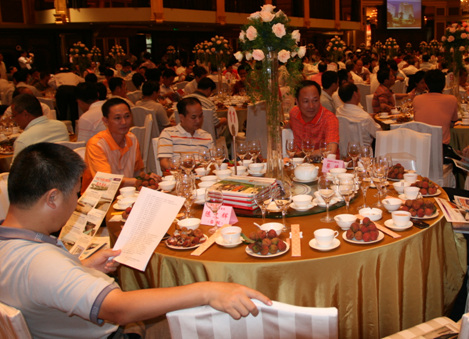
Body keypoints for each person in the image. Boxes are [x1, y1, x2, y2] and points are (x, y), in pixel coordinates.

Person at [0, 145, 272, 338]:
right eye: (75, 194)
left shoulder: (14, 244)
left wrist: (82, 267)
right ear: (52, 198)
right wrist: (207, 290)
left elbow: (39, 284)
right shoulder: (42, 264)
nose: (77, 202)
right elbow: (119, 309)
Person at [83, 98, 155, 191]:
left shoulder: (132, 139)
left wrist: (147, 177)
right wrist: (136, 181)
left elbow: (137, 172)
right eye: (117, 118)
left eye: (127, 116)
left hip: (126, 193)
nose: (124, 122)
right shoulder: (97, 145)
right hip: (98, 196)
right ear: (105, 121)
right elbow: (106, 180)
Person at [158, 97, 214, 172]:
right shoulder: (168, 134)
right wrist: (184, 169)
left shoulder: (206, 136)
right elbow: (164, 163)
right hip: (179, 175)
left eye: (200, 116)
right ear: (181, 117)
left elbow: (212, 161)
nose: (198, 120)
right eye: (193, 117)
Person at [10, 94, 69, 162]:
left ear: (25, 114)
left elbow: (16, 168)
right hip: (63, 167)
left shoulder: (23, 140)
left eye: (14, 115)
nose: (14, 120)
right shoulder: (60, 126)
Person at [288, 80, 339, 157]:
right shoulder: (294, 114)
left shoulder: (329, 119)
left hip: (323, 162)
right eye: (306, 101)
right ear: (297, 102)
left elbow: (331, 150)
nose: (311, 106)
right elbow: (289, 124)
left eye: (315, 100)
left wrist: (303, 155)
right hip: (300, 162)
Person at [413, 69, 458, 145]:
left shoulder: (417, 99)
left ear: (426, 84)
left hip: (421, 145)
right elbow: (452, 122)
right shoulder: (452, 99)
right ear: (444, 84)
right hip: (442, 146)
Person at [336, 83, 381, 147]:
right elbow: (379, 133)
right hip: (363, 151)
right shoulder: (364, 117)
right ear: (355, 94)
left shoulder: (338, 111)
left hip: (343, 150)